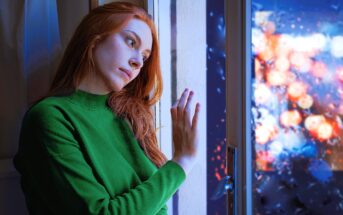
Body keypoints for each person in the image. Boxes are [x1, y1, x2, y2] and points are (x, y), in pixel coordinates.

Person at [13, 2, 200, 215]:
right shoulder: (49, 118)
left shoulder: (128, 116)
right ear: (95, 37)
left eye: (145, 56)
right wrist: (182, 162)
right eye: (131, 42)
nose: (138, 62)